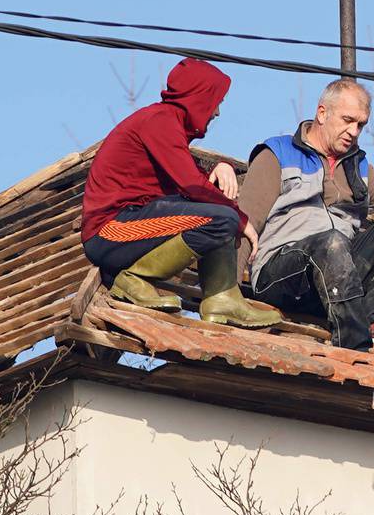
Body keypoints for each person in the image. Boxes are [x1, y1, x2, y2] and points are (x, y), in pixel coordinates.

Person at [239, 79, 374, 351]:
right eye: (347, 120)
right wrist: (225, 292)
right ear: (322, 113)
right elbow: (244, 221)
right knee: (331, 241)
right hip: (283, 275)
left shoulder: (357, 166)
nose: (353, 131)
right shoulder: (277, 154)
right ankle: (354, 343)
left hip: (337, 278)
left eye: (361, 125)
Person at [80, 58, 279, 329]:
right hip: (110, 231)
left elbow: (192, 177)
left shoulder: (166, 125)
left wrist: (221, 168)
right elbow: (190, 183)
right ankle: (132, 277)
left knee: (218, 209)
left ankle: (223, 298)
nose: (217, 112)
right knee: (223, 219)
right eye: (214, 101)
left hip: (134, 221)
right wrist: (241, 219)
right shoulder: (159, 121)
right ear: (198, 98)